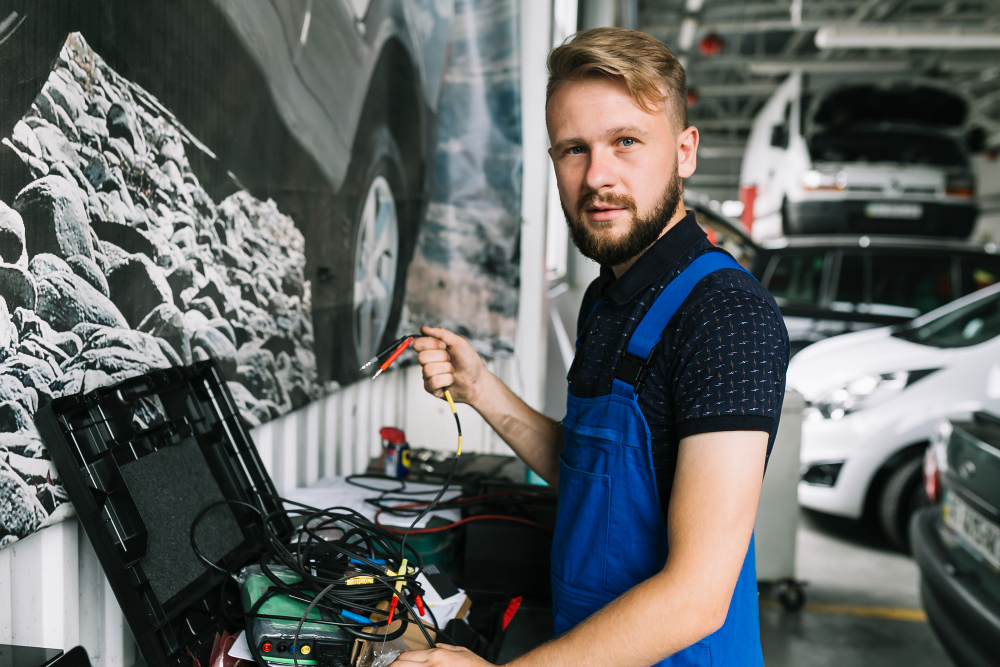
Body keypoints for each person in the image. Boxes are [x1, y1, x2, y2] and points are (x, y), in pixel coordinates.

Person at [393, 27, 788, 667]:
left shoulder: (727, 317)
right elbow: (591, 477)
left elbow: (698, 595)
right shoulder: (607, 298)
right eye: (574, 149)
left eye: (625, 141)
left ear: (684, 152)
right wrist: (479, 388)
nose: (597, 176)